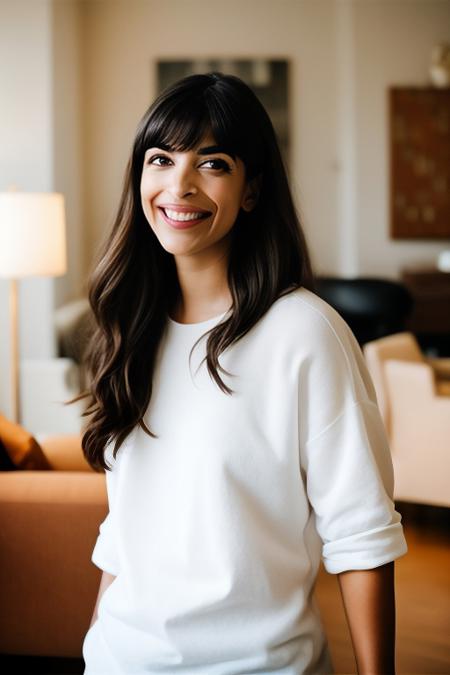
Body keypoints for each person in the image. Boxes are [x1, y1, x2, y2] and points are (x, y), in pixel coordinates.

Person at [81, 71, 408, 675]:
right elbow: (125, 530)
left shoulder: (305, 333)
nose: (179, 184)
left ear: (252, 189)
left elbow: (362, 537)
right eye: (161, 159)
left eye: (212, 164)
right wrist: (96, 646)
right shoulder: (130, 332)